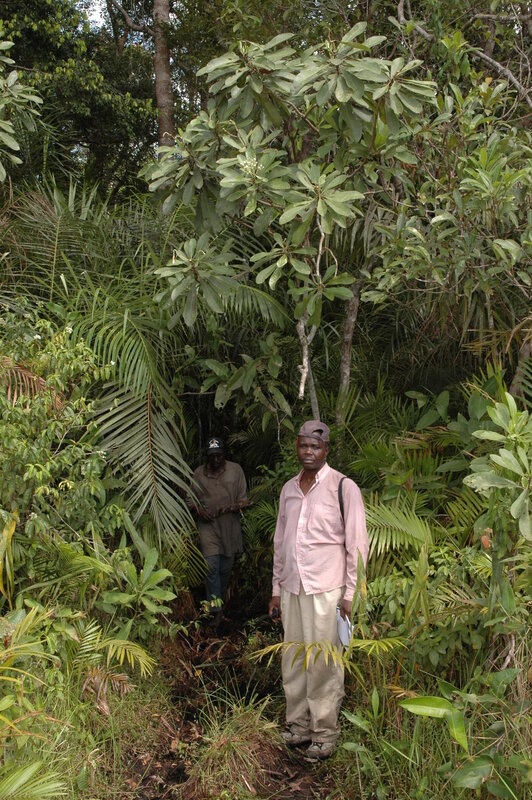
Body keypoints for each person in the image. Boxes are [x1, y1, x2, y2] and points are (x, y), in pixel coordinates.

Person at [268, 420, 368, 761]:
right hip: (292, 589)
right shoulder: (289, 489)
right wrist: (276, 589)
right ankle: (298, 726)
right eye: (303, 445)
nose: (308, 451)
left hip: (327, 591)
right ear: (296, 447)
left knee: (324, 663)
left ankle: (324, 733)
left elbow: (357, 546)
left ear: (326, 449)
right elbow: (280, 542)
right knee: (294, 659)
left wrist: (350, 596)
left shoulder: (344, 487)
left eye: (315, 446)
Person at [191, 437, 249, 622]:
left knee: (225, 569)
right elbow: (190, 500)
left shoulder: (235, 470)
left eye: (218, 455)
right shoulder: (199, 474)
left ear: (224, 454)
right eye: (212, 456)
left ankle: (220, 604)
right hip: (208, 527)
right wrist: (200, 511)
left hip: (229, 528)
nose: (215, 459)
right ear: (207, 456)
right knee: (211, 567)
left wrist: (231, 507)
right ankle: (215, 611)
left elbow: (244, 500)